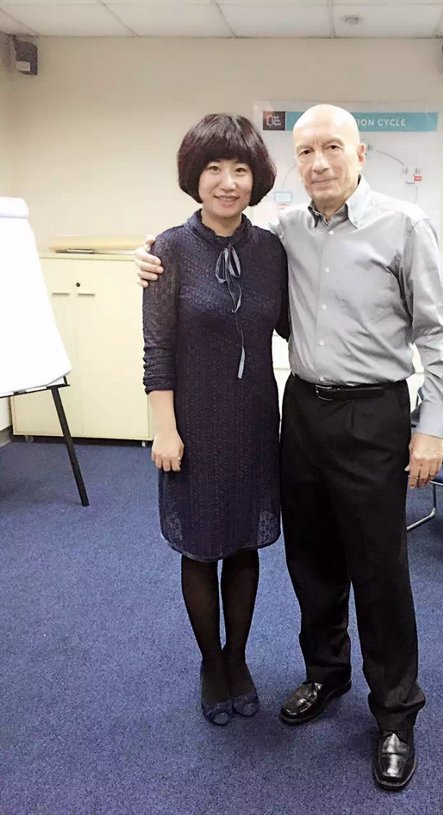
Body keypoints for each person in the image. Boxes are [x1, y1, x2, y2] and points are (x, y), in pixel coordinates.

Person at [136, 104, 443, 790]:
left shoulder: (404, 226)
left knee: (378, 569)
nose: (319, 162)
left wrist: (430, 427)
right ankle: (326, 674)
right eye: (307, 150)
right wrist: (149, 255)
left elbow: (439, 337)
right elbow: (213, 254)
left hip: (373, 413)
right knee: (311, 562)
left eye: (332, 147)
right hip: (302, 410)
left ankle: (395, 712)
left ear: (360, 153)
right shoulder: (282, 233)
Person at [142, 113, 288, 727]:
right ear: (194, 177)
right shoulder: (168, 250)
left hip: (253, 421)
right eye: (213, 168)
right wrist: (165, 428)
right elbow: (157, 349)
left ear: (256, 179)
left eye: (240, 169)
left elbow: (294, 324)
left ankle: (238, 657)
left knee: (244, 543)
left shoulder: (271, 250)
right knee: (202, 548)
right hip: (194, 424)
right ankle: (210, 662)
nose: (228, 182)